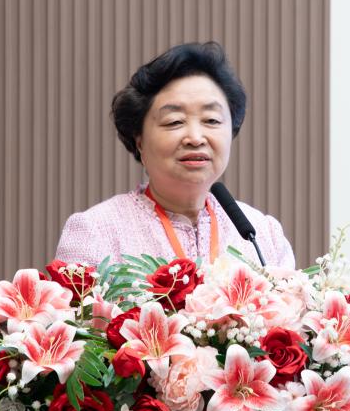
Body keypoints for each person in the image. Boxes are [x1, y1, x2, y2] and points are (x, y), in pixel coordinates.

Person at [54, 42, 295, 269]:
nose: (195, 138)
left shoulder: (262, 234)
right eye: (174, 121)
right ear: (139, 140)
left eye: (211, 120)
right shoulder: (95, 232)